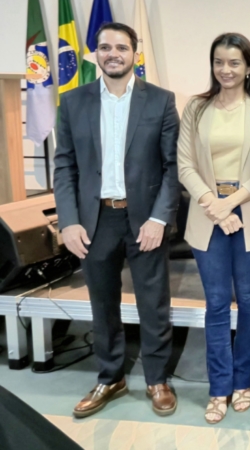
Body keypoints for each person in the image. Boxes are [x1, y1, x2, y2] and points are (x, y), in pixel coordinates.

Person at [53, 22, 180, 418]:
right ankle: (110, 377)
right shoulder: (72, 102)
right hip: (94, 221)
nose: (113, 54)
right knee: (102, 303)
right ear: (95, 54)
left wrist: (159, 218)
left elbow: (172, 166)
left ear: (134, 54)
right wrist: (69, 221)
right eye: (105, 47)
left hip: (145, 219)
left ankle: (157, 379)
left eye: (121, 47)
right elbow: (65, 166)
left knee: (153, 303)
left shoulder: (160, 100)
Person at [177, 33, 250, 424]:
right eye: (219, 62)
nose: (226, 69)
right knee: (217, 303)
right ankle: (219, 387)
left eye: (234, 62)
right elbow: (185, 165)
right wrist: (216, 208)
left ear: (249, 67)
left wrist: (230, 203)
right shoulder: (196, 108)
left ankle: (243, 381)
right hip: (207, 215)